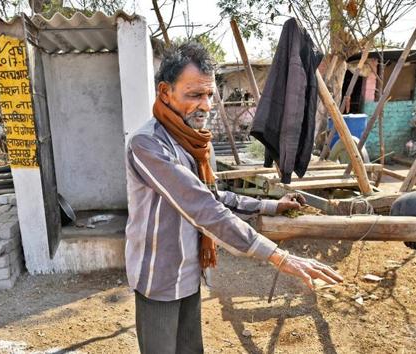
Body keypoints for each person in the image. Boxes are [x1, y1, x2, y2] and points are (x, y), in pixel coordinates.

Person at [124, 42, 343, 354]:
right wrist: (277, 255)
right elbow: (202, 208)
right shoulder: (147, 144)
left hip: (189, 271)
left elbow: (213, 196)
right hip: (158, 277)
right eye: (194, 95)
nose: (206, 105)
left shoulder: (196, 143)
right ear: (164, 92)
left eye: (210, 95)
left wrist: (271, 205)